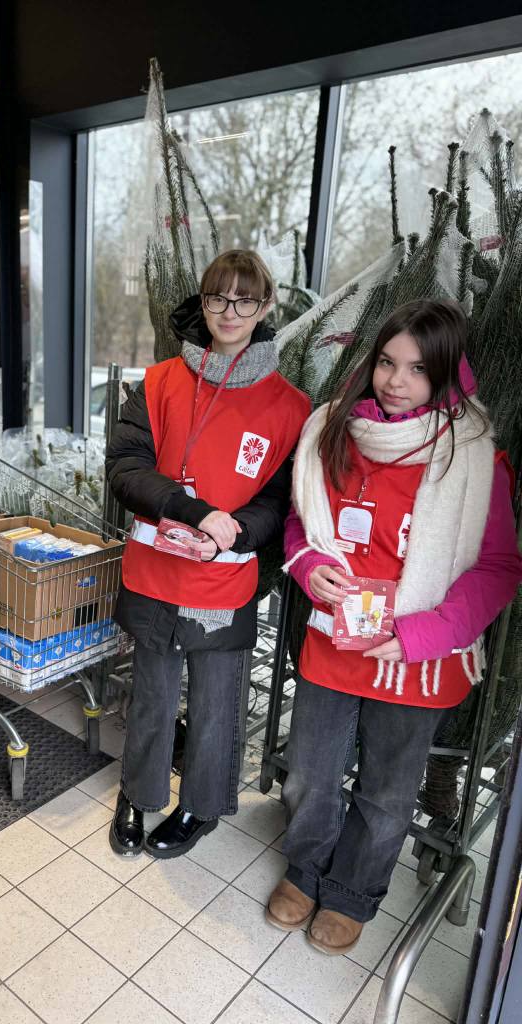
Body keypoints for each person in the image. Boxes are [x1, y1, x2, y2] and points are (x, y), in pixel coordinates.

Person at [272, 298, 522, 955]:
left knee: (386, 792)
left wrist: (421, 635)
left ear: (447, 375)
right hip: (334, 641)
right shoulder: (334, 431)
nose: (396, 381)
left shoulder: (474, 458)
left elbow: (498, 568)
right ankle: (306, 867)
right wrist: (309, 564)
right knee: (309, 773)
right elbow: (302, 520)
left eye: (418, 369)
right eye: (387, 362)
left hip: (417, 660)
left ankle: (352, 893)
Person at [105, 249, 310, 859]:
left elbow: (280, 502)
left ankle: (200, 805)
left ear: (266, 307)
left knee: (218, 703)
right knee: (153, 695)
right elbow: (125, 469)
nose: (229, 311)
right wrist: (193, 512)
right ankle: (137, 795)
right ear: (203, 300)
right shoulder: (159, 383)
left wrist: (233, 531)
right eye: (218, 297)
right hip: (154, 571)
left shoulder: (290, 407)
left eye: (245, 300)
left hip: (225, 582)